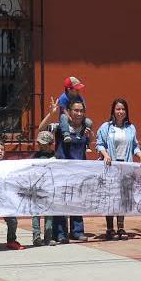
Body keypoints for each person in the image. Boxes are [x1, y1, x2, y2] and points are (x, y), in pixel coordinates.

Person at [40, 96, 93, 242]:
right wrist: (51, 114)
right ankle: (60, 233)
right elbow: (41, 129)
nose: (79, 114)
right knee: (61, 202)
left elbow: (87, 146)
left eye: (81, 111)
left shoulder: (86, 129)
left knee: (77, 201)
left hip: (79, 172)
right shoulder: (59, 127)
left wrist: (90, 138)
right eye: (76, 110)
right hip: (61, 171)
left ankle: (77, 231)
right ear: (69, 112)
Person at [96, 98, 141, 240]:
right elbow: (99, 144)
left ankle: (120, 227)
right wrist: (106, 155)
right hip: (110, 166)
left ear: (126, 112)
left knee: (123, 197)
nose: (120, 112)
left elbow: (135, 146)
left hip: (126, 166)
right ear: (113, 110)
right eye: (118, 109)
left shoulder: (131, 128)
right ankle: (109, 228)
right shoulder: (106, 127)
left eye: (123, 109)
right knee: (110, 197)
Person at [31, 130, 57, 246]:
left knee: (49, 214)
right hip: (37, 187)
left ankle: (48, 237)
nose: (41, 146)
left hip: (50, 187)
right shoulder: (35, 156)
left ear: (50, 143)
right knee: (36, 213)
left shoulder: (55, 156)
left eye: (44, 144)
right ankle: (36, 237)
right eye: (40, 143)